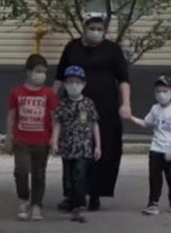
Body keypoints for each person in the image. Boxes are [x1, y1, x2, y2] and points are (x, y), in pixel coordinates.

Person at [53, 12, 131, 211]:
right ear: (84, 28)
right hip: (72, 106)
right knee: (71, 148)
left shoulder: (112, 50)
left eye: (100, 29)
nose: (96, 32)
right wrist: (51, 100)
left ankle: (95, 193)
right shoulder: (72, 47)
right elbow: (60, 76)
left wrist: (126, 104)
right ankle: (72, 195)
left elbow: (123, 79)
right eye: (92, 28)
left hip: (105, 108)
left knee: (101, 149)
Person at [5, 54, 58, 221]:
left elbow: (54, 117)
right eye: (38, 71)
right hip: (21, 140)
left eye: (44, 72)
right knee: (21, 171)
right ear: (28, 72)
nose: (41, 75)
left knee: (39, 173)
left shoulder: (49, 93)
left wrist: (54, 138)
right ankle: (23, 200)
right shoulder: (16, 92)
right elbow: (11, 116)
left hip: (42, 140)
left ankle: (36, 204)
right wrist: (8, 138)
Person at [52, 65, 102, 223]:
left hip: (83, 147)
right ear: (65, 84)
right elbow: (58, 124)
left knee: (79, 176)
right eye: (70, 81)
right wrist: (54, 141)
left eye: (77, 81)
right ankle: (70, 200)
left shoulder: (88, 104)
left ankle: (79, 206)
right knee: (68, 176)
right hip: (67, 147)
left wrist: (98, 145)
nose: (74, 85)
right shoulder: (63, 104)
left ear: (83, 83)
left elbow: (94, 124)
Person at [129, 75, 171, 216]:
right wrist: (131, 118)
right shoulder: (155, 109)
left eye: (165, 91)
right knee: (154, 179)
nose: (161, 94)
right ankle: (153, 204)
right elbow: (146, 123)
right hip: (156, 149)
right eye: (158, 91)